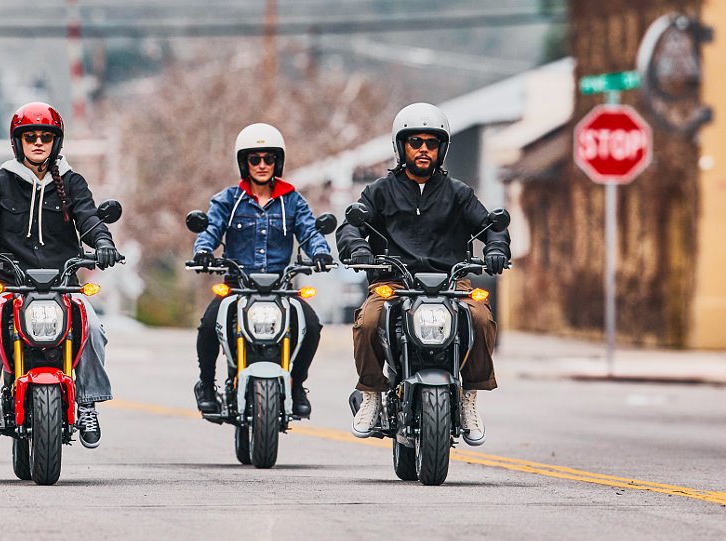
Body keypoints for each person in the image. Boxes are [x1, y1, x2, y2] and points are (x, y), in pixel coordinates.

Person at [336, 102, 510, 445]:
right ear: (401, 146)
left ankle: (469, 397)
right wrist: (357, 247)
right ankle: (371, 393)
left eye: (432, 143)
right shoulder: (379, 192)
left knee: (479, 316)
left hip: (450, 283)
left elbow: (491, 227)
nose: (423, 149)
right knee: (368, 320)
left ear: (441, 149)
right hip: (394, 282)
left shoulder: (459, 193)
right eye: (416, 142)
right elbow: (350, 227)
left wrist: (495, 249)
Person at [0, 101, 120, 449]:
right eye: (30, 136)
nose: (38, 143)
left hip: (63, 284)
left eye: (46, 136)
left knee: (93, 329)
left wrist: (104, 243)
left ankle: (87, 404)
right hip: (11, 282)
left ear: (56, 141)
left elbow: (89, 219)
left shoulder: (72, 182)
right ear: (18, 142)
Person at [192, 123, 334, 418]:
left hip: (281, 288)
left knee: (311, 326)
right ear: (244, 162)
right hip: (237, 287)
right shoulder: (229, 200)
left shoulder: (292, 200)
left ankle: (297, 384)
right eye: (254, 159)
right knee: (207, 326)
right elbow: (211, 228)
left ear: (277, 162)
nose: (261, 164)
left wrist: (320, 252)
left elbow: (309, 232)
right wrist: (203, 251)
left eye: (268, 158)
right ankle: (206, 384)